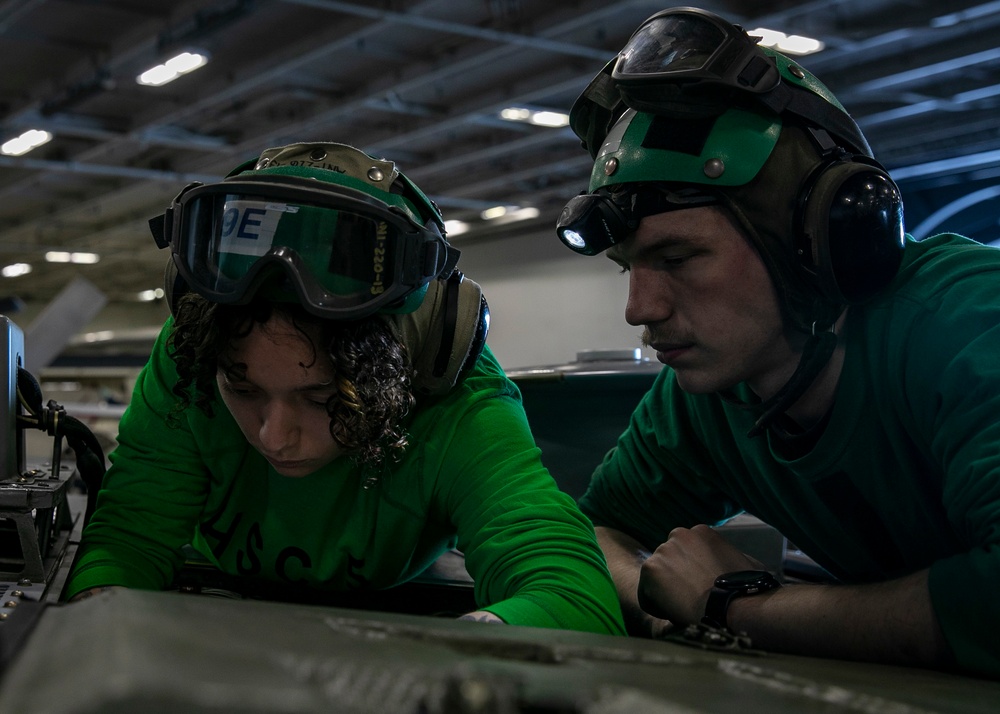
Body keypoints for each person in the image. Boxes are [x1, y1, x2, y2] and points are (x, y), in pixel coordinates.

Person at [554, 7, 1000, 676]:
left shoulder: (968, 323)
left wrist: (738, 608)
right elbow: (590, 537)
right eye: (629, 268)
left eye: (678, 258)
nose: (639, 309)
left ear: (819, 242)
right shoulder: (713, 393)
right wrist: (665, 607)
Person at [63, 141, 626, 636]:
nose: (275, 436)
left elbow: (570, 592)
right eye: (244, 388)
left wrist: (466, 655)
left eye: (322, 398)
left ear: (406, 374)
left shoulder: (457, 398)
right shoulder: (192, 355)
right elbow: (130, 538)